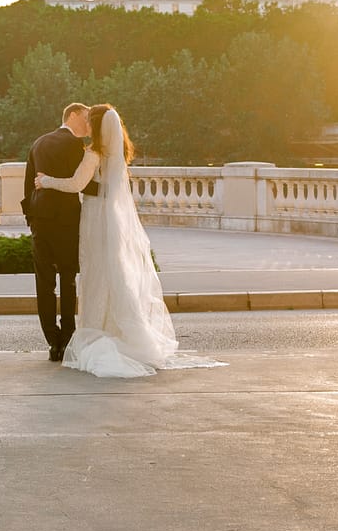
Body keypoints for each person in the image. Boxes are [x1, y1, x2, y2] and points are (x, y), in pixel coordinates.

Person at [35, 104, 225, 378]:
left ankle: (98, 329)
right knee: (113, 272)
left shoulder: (93, 153)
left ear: (98, 126)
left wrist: (47, 181)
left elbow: (76, 184)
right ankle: (122, 329)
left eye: (90, 121)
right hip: (109, 218)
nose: (86, 124)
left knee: (97, 274)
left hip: (95, 220)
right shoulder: (116, 154)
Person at [22, 103, 97, 361]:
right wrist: (109, 192)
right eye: (86, 118)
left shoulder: (38, 143)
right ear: (72, 115)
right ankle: (67, 339)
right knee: (67, 279)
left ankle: (52, 341)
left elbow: (27, 186)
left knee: (43, 283)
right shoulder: (75, 146)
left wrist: (31, 219)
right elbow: (81, 184)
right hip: (66, 222)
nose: (89, 125)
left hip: (40, 222)